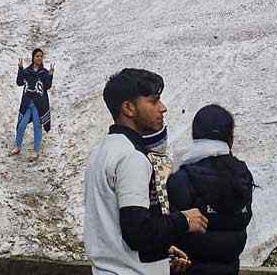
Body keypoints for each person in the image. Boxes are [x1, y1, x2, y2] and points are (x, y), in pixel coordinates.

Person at [84, 68, 208, 275]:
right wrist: (184, 220)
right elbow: (137, 231)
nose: (163, 108)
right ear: (129, 108)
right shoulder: (132, 156)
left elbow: (113, 226)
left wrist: (159, 251)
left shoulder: (103, 150)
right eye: (154, 101)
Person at [167, 105, 254, 275]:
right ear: (230, 137)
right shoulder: (243, 175)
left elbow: (171, 230)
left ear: (195, 135)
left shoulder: (182, 177)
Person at [9, 49, 54, 161]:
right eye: (37, 56)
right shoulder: (27, 71)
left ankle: (36, 151)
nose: (39, 58)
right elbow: (19, 82)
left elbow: (47, 86)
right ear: (33, 57)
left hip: (38, 105)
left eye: (41, 56)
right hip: (27, 103)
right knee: (21, 125)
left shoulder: (44, 72)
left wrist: (51, 75)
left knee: (37, 127)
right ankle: (17, 146)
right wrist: (20, 68)